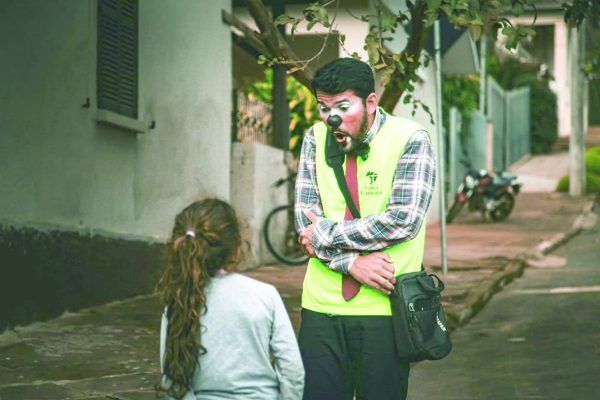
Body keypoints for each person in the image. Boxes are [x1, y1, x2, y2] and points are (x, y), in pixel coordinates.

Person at [294, 58, 436, 399]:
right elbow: (303, 222)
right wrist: (352, 264)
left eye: (343, 107)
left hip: (385, 308)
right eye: (324, 108)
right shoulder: (315, 138)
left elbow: (403, 220)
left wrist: (325, 233)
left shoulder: (411, 139)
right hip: (321, 306)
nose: (332, 118)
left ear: (371, 102)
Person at [157, 198, 304, 400]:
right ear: (236, 248)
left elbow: (171, 380)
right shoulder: (265, 295)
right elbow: (292, 369)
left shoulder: (178, 303)